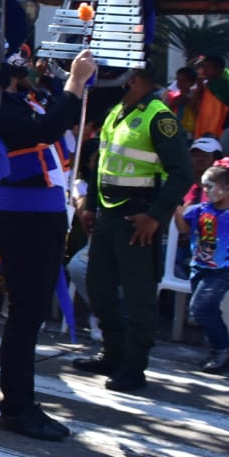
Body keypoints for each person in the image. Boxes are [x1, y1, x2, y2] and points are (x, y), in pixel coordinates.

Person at [0, 47, 96, 440]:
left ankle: (23, 401)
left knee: (31, 315)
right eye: (22, 66)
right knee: (25, 315)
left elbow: (63, 113)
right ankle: (16, 407)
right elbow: (45, 130)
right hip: (23, 218)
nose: (32, 69)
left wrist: (75, 79)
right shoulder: (0, 107)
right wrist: (75, 82)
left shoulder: (26, 99)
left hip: (44, 215)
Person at [75, 67, 194, 392]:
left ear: (135, 79)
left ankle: (135, 367)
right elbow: (102, 162)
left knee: (139, 297)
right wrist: (90, 206)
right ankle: (112, 354)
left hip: (138, 217)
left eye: (116, 77)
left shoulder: (160, 117)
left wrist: (155, 216)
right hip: (107, 216)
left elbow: (182, 173)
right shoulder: (117, 111)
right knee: (98, 287)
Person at [175, 163, 229, 373]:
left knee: (200, 308)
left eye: (210, 186)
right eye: (204, 187)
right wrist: (176, 210)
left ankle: (223, 350)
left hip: (225, 270)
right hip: (199, 267)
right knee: (204, 309)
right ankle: (220, 350)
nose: (206, 191)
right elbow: (183, 229)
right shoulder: (200, 210)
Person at [192, 54, 229, 141]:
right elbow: (195, 105)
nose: (204, 71)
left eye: (208, 67)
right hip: (205, 126)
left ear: (219, 70)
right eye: (204, 67)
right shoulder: (207, 85)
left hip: (217, 129)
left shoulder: (223, 85)